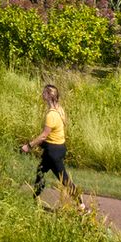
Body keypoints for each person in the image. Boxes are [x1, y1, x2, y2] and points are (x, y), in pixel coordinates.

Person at [21, 84, 86, 212]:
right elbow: (53, 134)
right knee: (40, 172)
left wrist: (28, 146)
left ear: (49, 96)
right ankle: (34, 200)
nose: (41, 94)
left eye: (43, 93)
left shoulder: (51, 115)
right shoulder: (59, 109)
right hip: (58, 148)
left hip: (53, 152)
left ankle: (82, 206)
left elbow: (44, 135)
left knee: (64, 180)